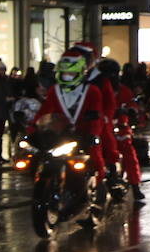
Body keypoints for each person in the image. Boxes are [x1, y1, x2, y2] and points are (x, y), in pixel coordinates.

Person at [25, 48, 119, 224]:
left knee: (95, 160)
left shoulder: (92, 91)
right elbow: (45, 111)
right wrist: (32, 128)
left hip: (83, 136)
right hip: (61, 136)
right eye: (65, 72)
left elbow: (96, 115)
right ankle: (48, 193)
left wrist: (93, 133)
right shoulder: (55, 91)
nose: (67, 75)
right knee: (41, 157)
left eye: (71, 72)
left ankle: (97, 191)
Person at [95, 59, 146, 205]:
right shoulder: (95, 88)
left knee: (129, 153)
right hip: (101, 127)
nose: (109, 77)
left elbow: (132, 104)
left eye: (111, 74)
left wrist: (130, 111)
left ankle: (135, 186)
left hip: (119, 126)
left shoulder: (123, 90)